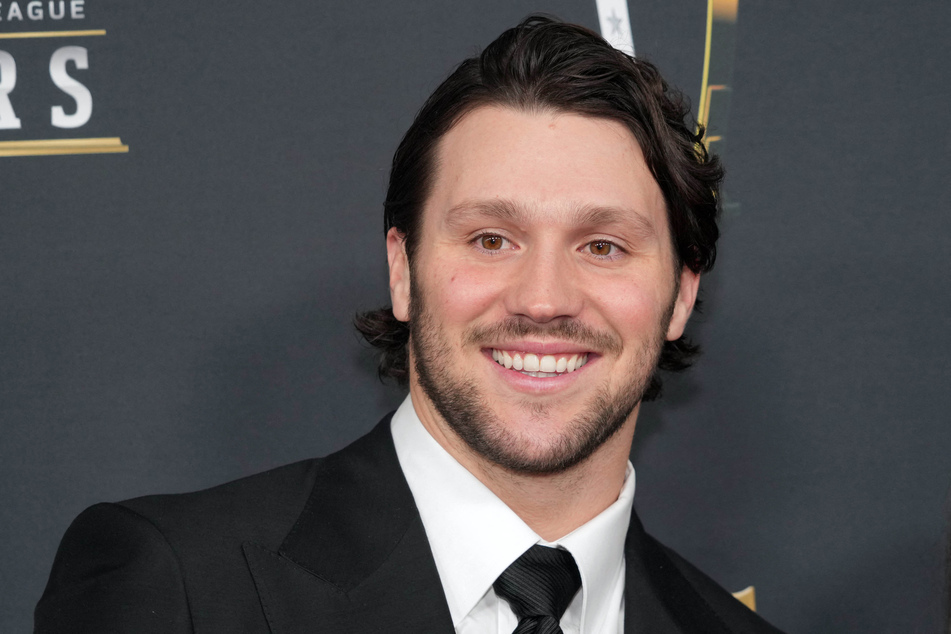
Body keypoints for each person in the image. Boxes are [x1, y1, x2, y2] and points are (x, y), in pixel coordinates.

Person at [35, 16, 783, 634]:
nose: (545, 297)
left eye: (602, 246)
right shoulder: (181, 585)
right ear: (402, 271)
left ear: (681, 296)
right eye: (491, 239)